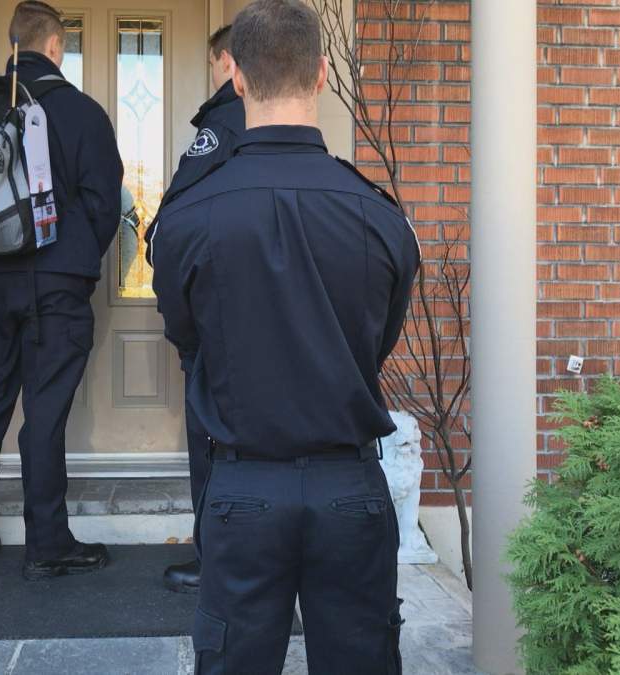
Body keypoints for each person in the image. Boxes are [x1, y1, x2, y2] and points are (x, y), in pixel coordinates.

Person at [151, 0, 419, 671]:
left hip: (244, 491)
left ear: (235, 76)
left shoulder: (188, 216)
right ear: (324, 73)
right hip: (347, 490)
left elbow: (188, 340)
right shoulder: (380, 218)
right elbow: (375, 342)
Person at [0, 0, 123, 580]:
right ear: (54, 47)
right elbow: (103, 207)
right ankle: (47, 544)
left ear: (13, 44)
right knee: (45, 411)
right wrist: (74, 262)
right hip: (58, 285)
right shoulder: (82, 112)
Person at [154, 24, 246, 596]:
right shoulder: (271, 126)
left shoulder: (221, 125)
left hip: (216, 318)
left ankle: (215, 560)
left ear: (227, 61)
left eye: (214, 64)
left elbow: (170, 227)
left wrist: (182, 327)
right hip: (256, 315)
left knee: (210, 444)